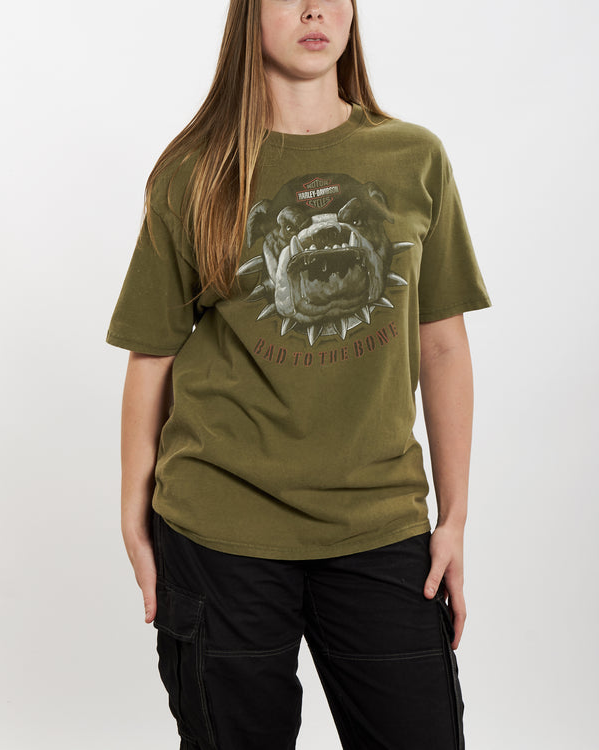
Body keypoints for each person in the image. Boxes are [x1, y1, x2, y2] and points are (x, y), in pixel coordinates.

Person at [106, 1, 491, 748]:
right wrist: (132, 513)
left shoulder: (414, 157)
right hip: (220, 529)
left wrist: (454, 518)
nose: (314, 8)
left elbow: (443, 345)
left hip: (379, 523)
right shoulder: (193, 173)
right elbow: (151, 355)